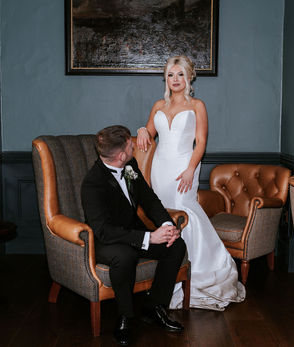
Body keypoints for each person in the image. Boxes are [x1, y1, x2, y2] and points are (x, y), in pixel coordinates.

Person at [137, 55, 245, 311]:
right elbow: (149, 134)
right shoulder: (157, 106)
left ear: (189, 78)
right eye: (171, 75)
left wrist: (190, 170)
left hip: (185, 166)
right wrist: (142, 129)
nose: (175, 80)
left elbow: (201, 142)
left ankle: (196, 272)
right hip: (160, 168)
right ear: (166, 78)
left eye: (180, 75)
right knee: (164, 215)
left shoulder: (197, 105)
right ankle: (168, 273)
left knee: (185, 212)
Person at [81, 125, 186, 346]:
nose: (134, 147)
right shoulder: (93, 183)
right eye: (131, 146)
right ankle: (125, 316)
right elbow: (103, 230)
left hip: (133, 232)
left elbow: (149, 199)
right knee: (125, 255)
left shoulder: (130, 166)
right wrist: (148, 238)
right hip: (106, 240)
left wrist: (166, 226)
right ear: (121, 155)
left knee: (176, 245)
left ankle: (154, 307)